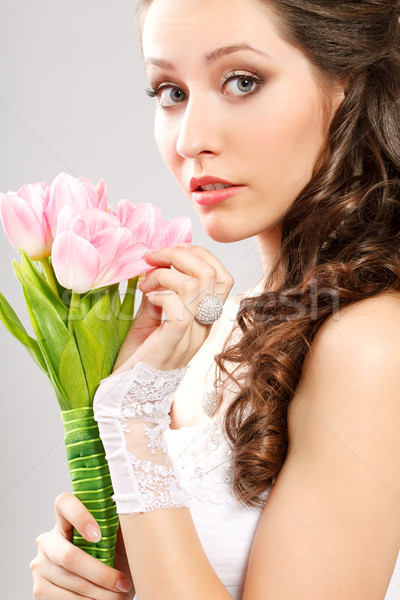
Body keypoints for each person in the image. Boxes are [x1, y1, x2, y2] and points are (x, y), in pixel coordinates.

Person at [29, 0, 400, 598]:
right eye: (170, 91)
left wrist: (132, 424)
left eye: (242, 81)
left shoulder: (373, 343)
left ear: (348, 82)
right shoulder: (213, 325)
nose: (191, 139)